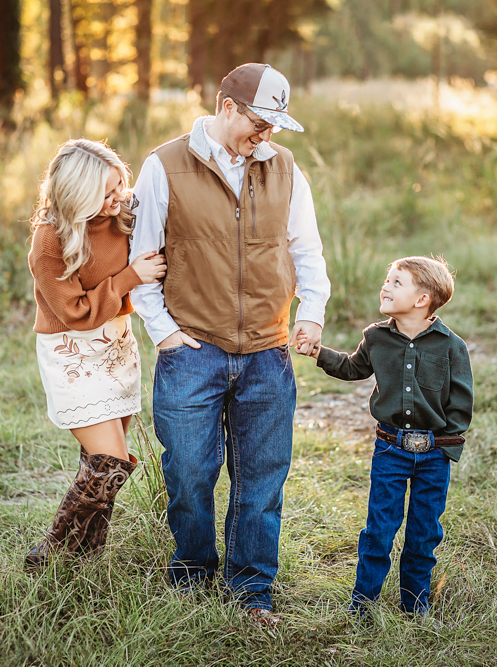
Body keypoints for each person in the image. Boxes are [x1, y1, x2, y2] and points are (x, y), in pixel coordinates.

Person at [129, 63, 330, 622]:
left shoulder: (286, 168)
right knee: (190, 475)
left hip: (268, 352)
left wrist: (310, 313)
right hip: (192, 352)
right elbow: (139, 262)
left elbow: (307, 251)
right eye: (258, 122)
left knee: (262, 480)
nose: (264, 136)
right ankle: (192, 575)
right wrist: (164, 333)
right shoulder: (164, 165)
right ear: (226, 107)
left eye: (273, 125)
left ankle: (251, 592)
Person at [300, 256, 474, 616]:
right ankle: (361, 606)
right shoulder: (376, 337)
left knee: (424, 533)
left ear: (422, 298)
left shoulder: (451, 346)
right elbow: (352, 368)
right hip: (390, 448)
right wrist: (318, 351)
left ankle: (415, 606)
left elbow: (460, 402)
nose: (385, 286)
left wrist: (447, 447)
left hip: (433, 454)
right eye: (387, 280)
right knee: (379, 529)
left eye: (397, 282)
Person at [24, 139, 167, 568]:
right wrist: (129, 278)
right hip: (72, 351)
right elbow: (74, 310)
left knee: (100, 467)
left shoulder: (121, 215)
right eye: (105, 193)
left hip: (115, 344)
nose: (117, 197)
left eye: (119, 185)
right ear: (76, 194)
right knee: (111, 460)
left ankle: (84, 560)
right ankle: (49, 554)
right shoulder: (50, 239)